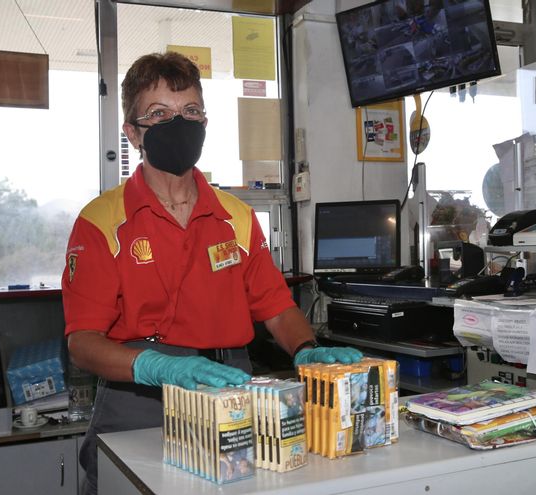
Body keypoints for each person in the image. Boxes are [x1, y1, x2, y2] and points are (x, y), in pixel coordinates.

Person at [61, 51, 362, 495]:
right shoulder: (101, 221)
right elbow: (82, 343)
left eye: (190, 111)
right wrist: (155, 366)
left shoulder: (236, 218)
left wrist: (304, 348)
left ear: (204, 123)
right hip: (139, 390)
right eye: (158, 114)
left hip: (230, 385)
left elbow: (277, 308)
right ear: (132, 133)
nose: (178, 123)